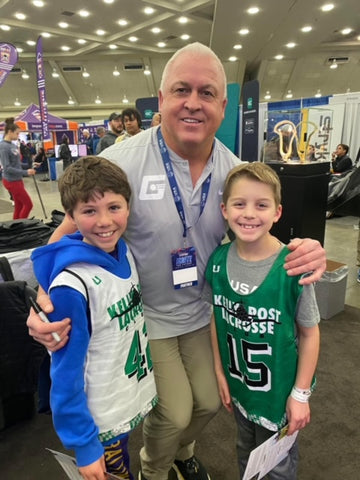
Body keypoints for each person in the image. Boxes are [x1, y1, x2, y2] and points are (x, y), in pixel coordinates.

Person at [27, 43, 326, 480]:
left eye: (207, 93)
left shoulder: (233, 172)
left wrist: (305, 249)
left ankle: (183, 450)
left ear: (223, 106)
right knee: (174, 411)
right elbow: (66, 232)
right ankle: (155, 467)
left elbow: (256, 228)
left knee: (208, 403)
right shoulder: (119, 163)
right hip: (144, 316)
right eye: (181, 90)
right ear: (161, 98)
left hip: (201, 314)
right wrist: (44, 301)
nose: (193, 103)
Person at [31, 156, 157, 480]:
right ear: (71, 217)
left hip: (119, 399)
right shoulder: (71, 288)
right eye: (89, 211)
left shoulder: (122, 250)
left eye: (114, 208)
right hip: (97, 421)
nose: (104, 221)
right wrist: (84, 444)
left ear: (128, 207)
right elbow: (65, 374)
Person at [205, 162, 320, 479]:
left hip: (279, 400)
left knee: (277, 469)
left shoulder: (292, 268)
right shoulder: (217, 261)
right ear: (224, 209)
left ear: (278, 212)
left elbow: (310, 334)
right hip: (242, 390)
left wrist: (300, 394)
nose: (249, 213)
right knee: (246, 456)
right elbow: (217, 318)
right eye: (239, 204)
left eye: (261, 205)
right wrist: (219, 370)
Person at [0, 117, 37, 219]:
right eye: (17, 133)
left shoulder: (12, 145)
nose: (18, 136)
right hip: (11, 181)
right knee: (28, 205)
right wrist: (25, 172)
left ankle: (16, 226)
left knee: (19, 205)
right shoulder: (3, 147)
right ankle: (22, 226)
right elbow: (7, 168)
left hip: (17, 180)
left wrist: (29, 164)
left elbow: (16, 164)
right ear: (10, 132)